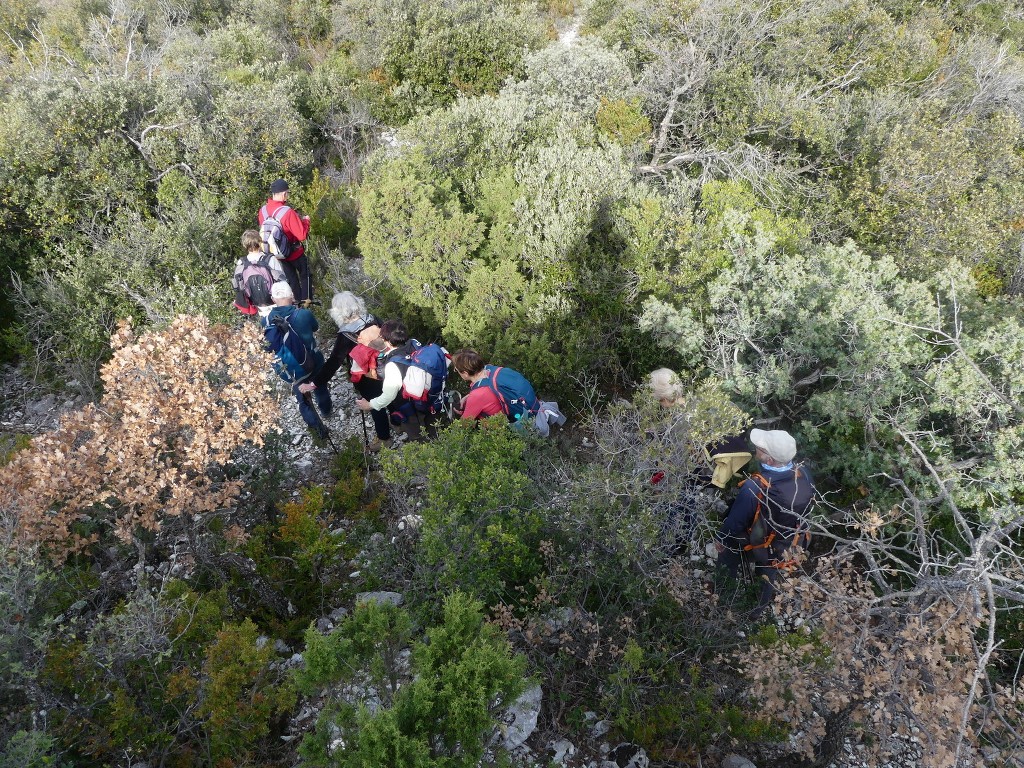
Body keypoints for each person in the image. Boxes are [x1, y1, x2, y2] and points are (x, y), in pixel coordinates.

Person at [714, 428, 814, 615]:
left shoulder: (754, 487)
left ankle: (723, 602)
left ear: (769, 460)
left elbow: (735, 524)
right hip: (785, 543)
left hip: (755, 542)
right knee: (769, 570)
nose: (756, 448)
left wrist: (721, 539)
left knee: (727, 554)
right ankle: (756, 611)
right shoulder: (805, 474)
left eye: (760, 448)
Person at [299, 292, 394, 452]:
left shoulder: (346, 335)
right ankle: (399, 422)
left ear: (338, 312)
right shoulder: (373, 318)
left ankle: (384, 438)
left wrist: (314, 384)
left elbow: (334, 362)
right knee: (391, 394)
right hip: (389, 366)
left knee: (375, 406)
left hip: (368, 376)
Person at [264, 281, 332, 439]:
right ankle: (326, 410)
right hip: (313, 362)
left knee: (303, 400)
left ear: (273, 299)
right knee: (320, 386)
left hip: (291, 367)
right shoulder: (303, 314)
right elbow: (314, 328)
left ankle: (318, 431)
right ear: (292, 296)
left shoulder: (266, 321)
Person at [258, 179, 312, 303]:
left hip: (277, 255)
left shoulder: (263, 211)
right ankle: (307, 303)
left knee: (292, 280)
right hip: (294, 253)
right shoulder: (287, 212)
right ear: (283, 194)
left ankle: (297, 304)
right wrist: (306, 221)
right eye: (287, 193)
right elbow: (302, 235)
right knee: (306, 275)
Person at [451, 350, 539, 422]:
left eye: (456, 369)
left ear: (465, 373)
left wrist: (459, 415)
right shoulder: (490, 369)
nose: (455, 371)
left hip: (501, 427)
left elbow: (465, 424)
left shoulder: (477, 396)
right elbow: (487, 392)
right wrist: (468, 396)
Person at [232, 229, 286, 317]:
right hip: (274, 301)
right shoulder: (270, 259)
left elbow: (238, 286)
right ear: (259, 241)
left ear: (244, 245)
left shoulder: (241, 263)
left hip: (256, 304)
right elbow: (283, 280)